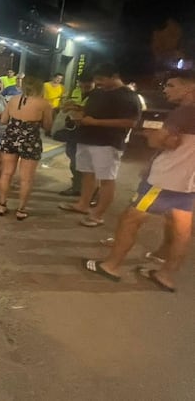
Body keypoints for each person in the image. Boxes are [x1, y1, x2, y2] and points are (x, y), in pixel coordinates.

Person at [82, 70, 195, 292]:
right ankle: (165, 275)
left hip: (164, 181)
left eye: (171, 86)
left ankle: (111, 266)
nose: (165, 89)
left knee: (130, 219)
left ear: (189, 88)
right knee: (182, 230)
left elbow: (162, 141)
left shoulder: (185, 112)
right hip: (189, 185)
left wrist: (152, 135)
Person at [58, 63, 141, 227]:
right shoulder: (98, 92)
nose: (98, 83)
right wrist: (76, 108)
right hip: (86, 138)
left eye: (101, 79)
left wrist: (96, 122)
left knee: (106, 179)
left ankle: (97, 215)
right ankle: (83, 204)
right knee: (87, 174)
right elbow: (92, 111)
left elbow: (131, 122)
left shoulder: (128, 96)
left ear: (114, 77)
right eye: (97, 79)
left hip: (107, 143)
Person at [0, 77, 53, 220]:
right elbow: (48, 126)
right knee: (26, 179)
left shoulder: (13, 100)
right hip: (30, 141)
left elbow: (3, 120)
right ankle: (21, 209)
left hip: (10, 138)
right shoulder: (44, 104)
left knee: (6, 173)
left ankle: (2, 204)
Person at [58, 73, 95, 196]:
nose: (85, 85)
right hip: (73, 130)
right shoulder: (76, 91)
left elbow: (95, 111)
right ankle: (77, 187)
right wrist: (66, 106)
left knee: (88, 164)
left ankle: (90, 191)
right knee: (73, 158)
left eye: (88, 82)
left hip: (89, 132)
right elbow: (65, 106)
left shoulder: (99, 96)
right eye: (82, 82)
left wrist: (76, 107)